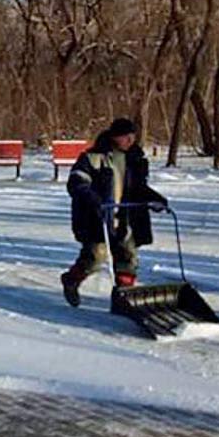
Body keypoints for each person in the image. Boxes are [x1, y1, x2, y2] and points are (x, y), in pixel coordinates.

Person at [60, 117, 167, 307]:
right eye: (125, 136)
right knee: (95, 257)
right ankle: (71, 279)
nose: (130, 140)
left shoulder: (136, 159)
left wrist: (155, 199)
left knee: (128, 256)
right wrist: (92, 198)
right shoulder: (93, 157)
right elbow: (76, 182)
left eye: (132, 136)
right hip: (98, 217)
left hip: (126, 218)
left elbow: (139, 188)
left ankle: (123, 297)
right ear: (115, 136)